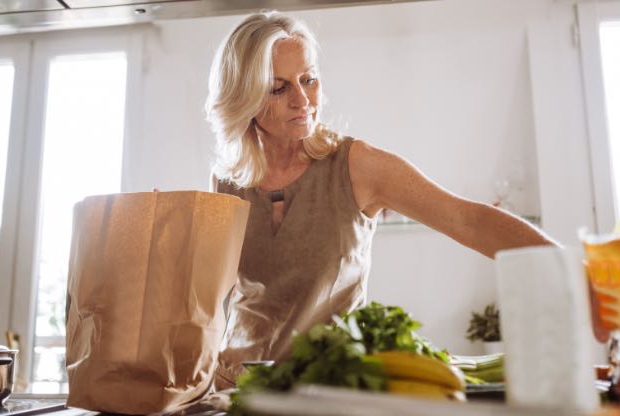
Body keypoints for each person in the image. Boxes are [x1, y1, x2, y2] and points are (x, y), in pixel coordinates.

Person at [205, 11, 556, 389]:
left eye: (309, 80)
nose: (302, 99)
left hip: (329, 389)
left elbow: (469, 221)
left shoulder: (357, 166)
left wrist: (576, 273)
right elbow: (211, 296)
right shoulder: (228, 181)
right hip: (236, 388)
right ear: (244, 96)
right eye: (279, 88)